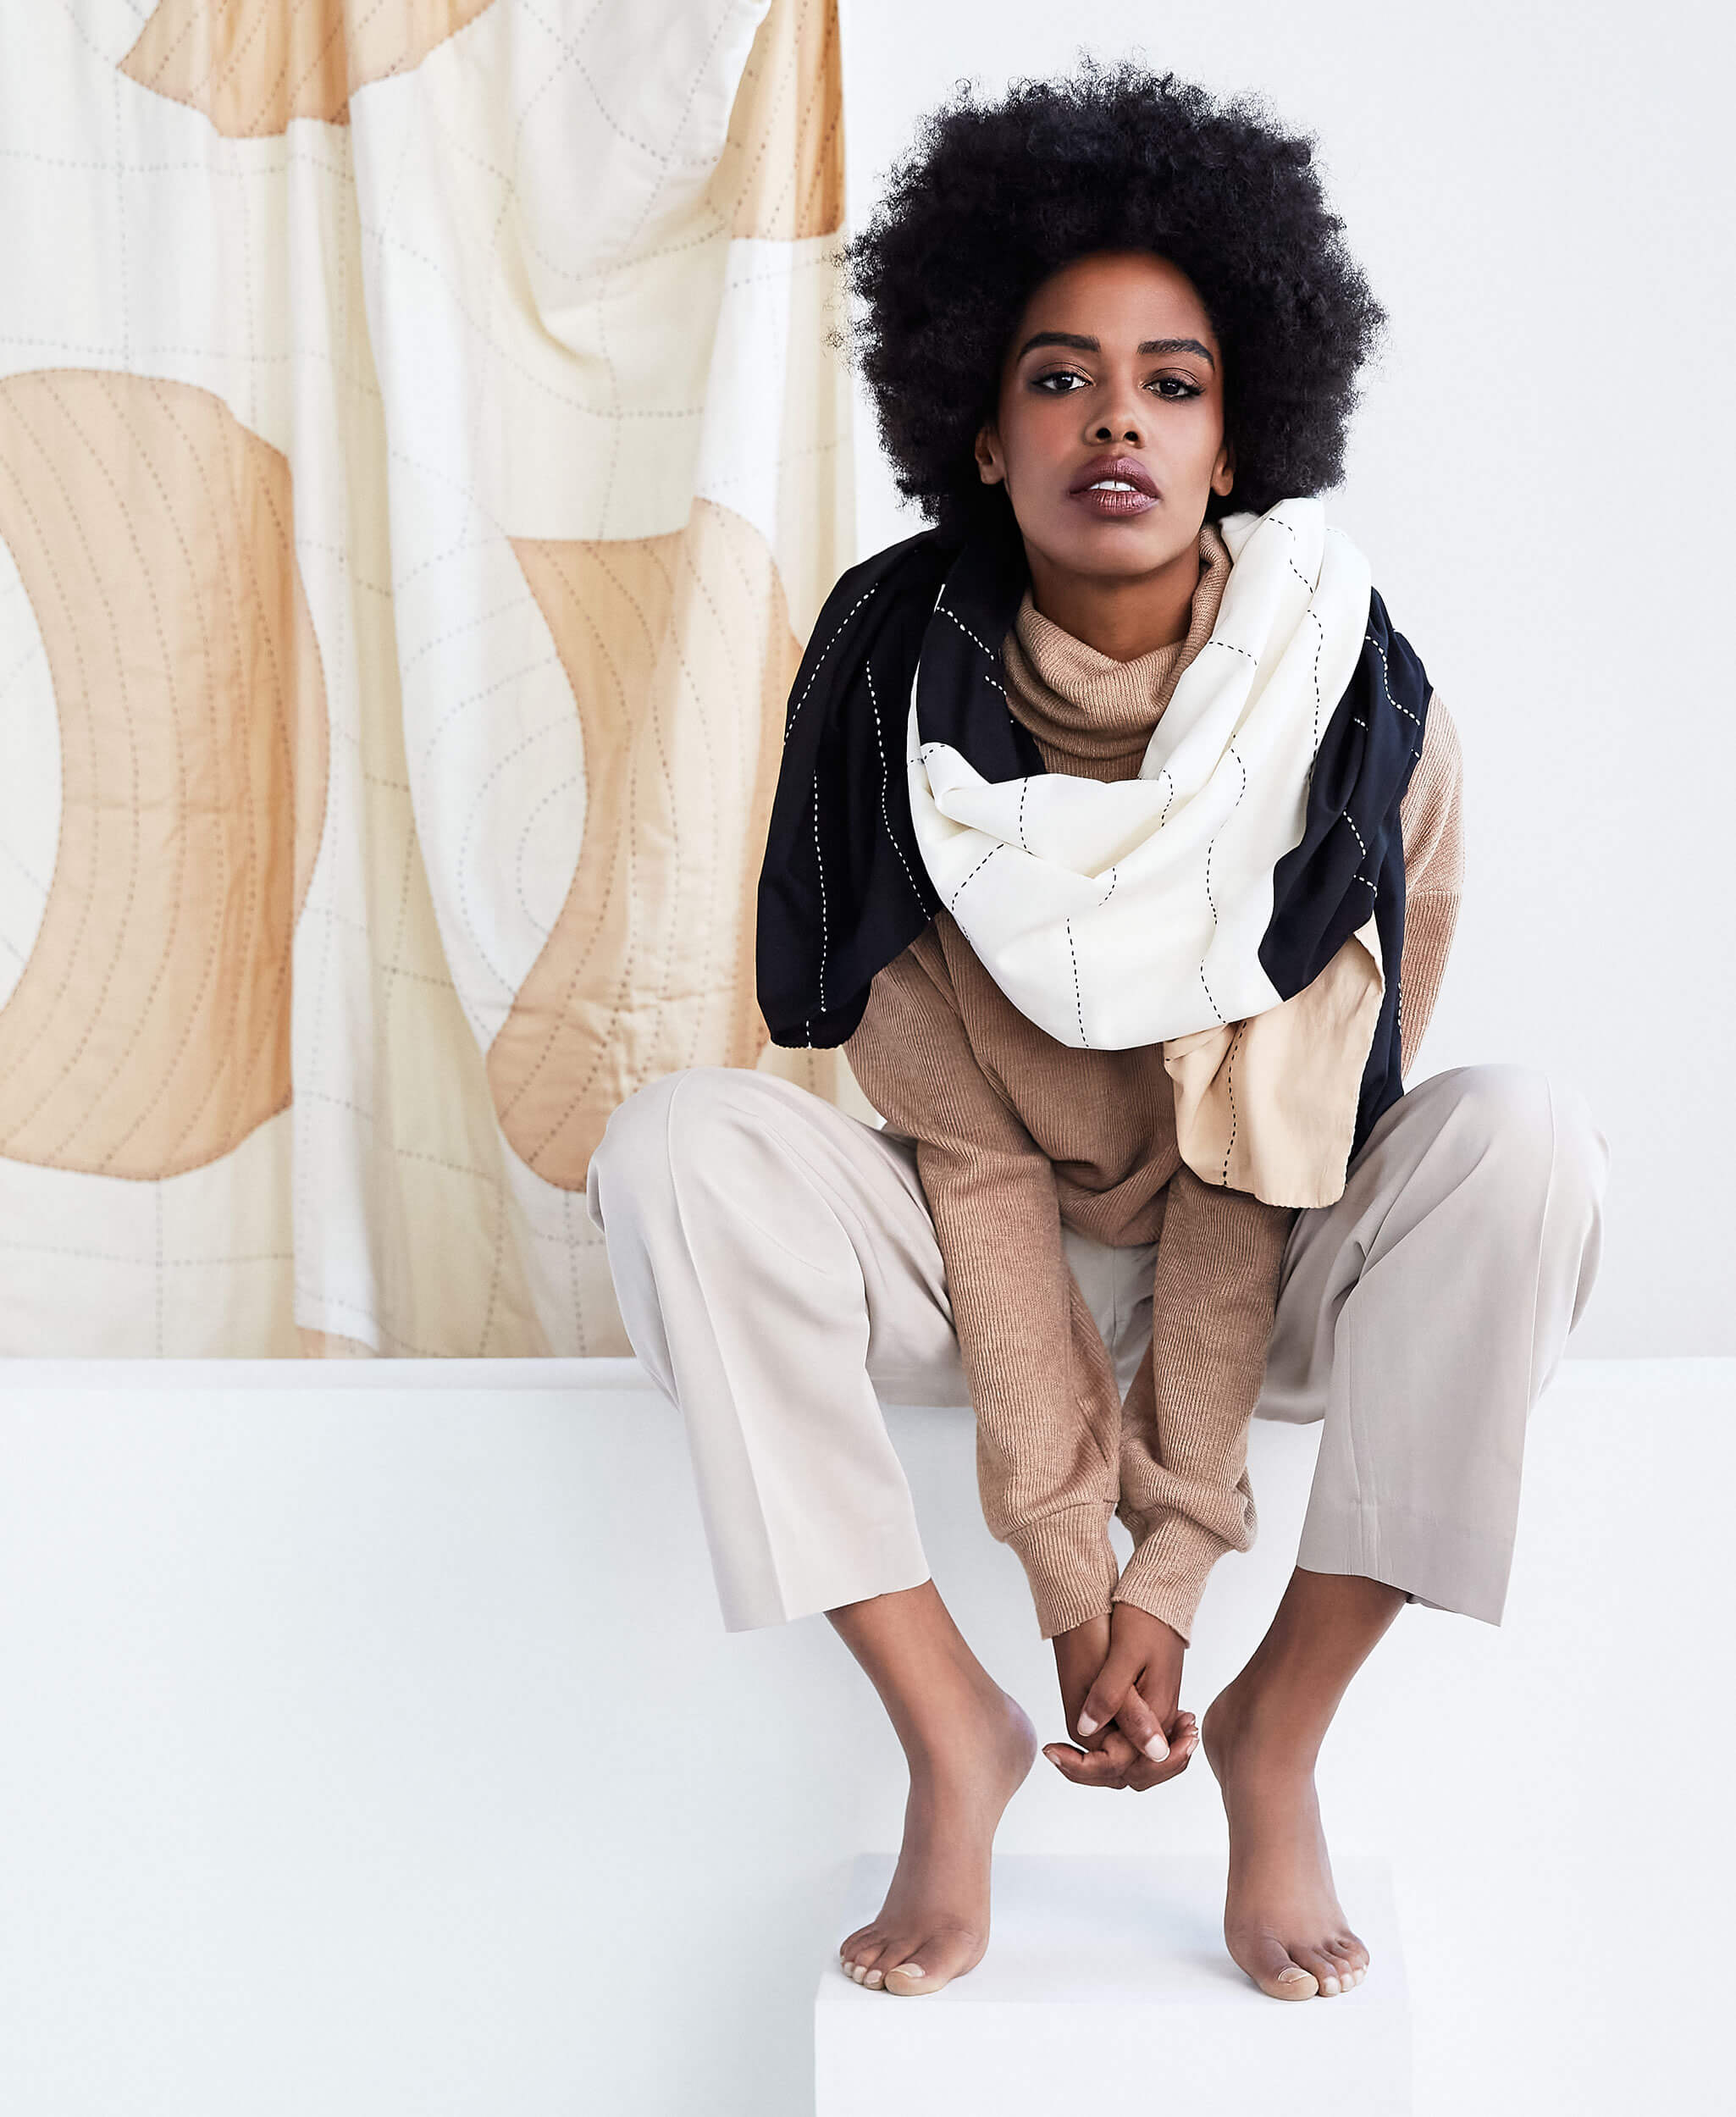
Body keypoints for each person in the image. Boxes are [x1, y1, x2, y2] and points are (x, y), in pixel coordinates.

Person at [585, 60, 1608, 2005]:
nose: (1113, 419)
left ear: (1236, 440)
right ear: (976, 428)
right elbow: (963, 1164)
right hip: (983, 1242)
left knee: (1524, 1138)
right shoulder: (881, 711)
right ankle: (945, 1727)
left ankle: (1274, 1736)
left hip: (1272, 1237)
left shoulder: (1361, 721)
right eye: (1058, 377)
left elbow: (1267, 1146)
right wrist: (1063, 1594)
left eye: (1171, 380)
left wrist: (1162, 1583)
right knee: (677, 1151)